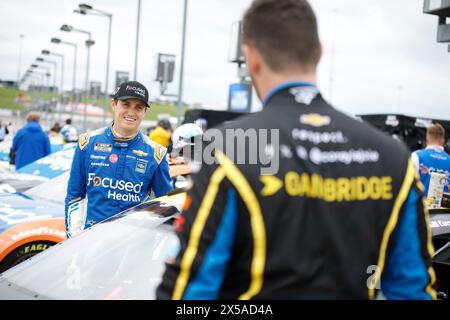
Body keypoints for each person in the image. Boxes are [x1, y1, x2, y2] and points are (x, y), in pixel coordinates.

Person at [157, 0, 436, 300]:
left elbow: (187, 294)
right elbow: (413, 292)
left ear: (250, 57)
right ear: (318, 52)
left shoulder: (226, 147)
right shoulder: (393, 157)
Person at [65, 81, 173, 238]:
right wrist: (74, 241)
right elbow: (75, 196)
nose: (131, 112)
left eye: (138, 107)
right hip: (90, 241)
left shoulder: (156, 154)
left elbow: (165, 206)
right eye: (126, 104)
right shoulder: (87, 143)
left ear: (145, 112)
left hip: (131, 245)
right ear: (114, 104)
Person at [412, 123, 450, 196]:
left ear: (427, 139)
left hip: (421, 205)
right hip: (442, 206)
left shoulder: (416, 156)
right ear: (443, 140)